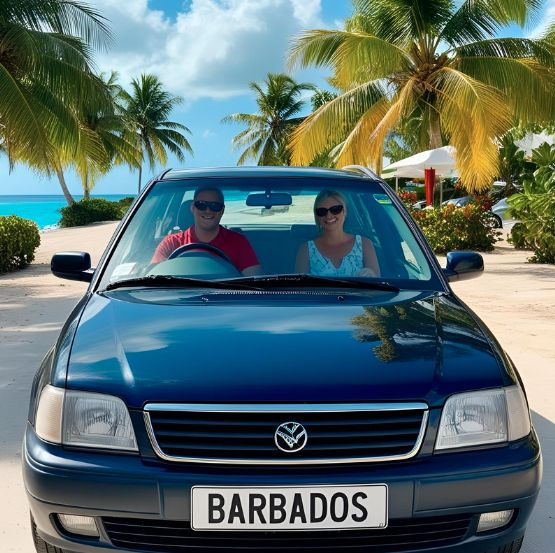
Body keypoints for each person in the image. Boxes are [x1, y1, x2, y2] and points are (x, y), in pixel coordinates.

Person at [151, 187, 261, 276]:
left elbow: (254, 284)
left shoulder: (238, 243)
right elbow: (152, 281)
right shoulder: (171, 243)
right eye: (201, 205)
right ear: (192, 208)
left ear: (222, 211)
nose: (208, 211)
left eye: (215, 206)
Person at [295, 189, 380, 277]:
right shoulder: (306, 250)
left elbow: (379, 286)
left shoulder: (364, 244)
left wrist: (370, 275)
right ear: (317, 217)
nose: (328, 215)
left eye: (335, 209)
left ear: (345, 212)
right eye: (322, 211)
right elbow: (298, 288)